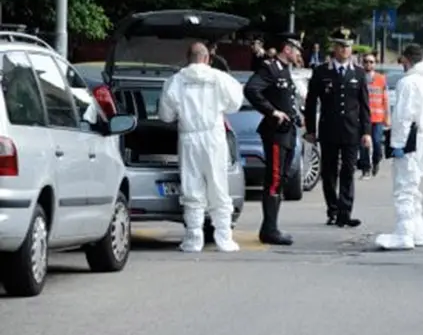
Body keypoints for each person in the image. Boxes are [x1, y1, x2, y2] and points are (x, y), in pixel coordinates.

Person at [158, 43, 244, 253]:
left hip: (189, 138)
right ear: (207, 58)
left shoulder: (176, 81)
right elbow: (235, 104)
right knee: (218, 186)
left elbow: (165, 115)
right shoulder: (219, 78)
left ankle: (193, 239)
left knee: (192, 187)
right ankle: (224, 238)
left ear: (188, 58)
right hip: (214, 137)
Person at [375, 44, 423, 250]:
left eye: (402, 60)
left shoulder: (408, 83)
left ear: (407, 59)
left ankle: (403, 234)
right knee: (413, 188)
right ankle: (417, 231)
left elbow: (403, 116)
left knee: (403, 189)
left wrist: (397, 144)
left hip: (410, 141)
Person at [304, 28, 372, 227]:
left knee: (348, 171)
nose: (345, 50)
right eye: (341, 46)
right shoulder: (322, 72)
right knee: (329, 171)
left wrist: (366, 131)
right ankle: (332, 210)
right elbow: (311, 103)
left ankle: (345, 212)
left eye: (348, 46)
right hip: (329, 129)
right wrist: (310, 130)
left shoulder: (358, 73)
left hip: (351, 129)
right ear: (334, 47)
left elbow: (364, 105)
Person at [243, 32, 305, 246]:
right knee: (275, 179)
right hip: (275, 132)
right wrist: (272, 112)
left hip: (287, 132)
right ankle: (269, 229)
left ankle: (271, 226)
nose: (298, 54)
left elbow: (287, 99)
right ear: (287, 49)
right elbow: (251, 89)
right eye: (296, 49)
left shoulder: (285, 71)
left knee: (282, 180)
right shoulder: (270, 68)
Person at [358, 53, 389, 179]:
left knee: (376, 143)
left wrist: (387, 117)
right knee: (364, 144)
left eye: (371, 62)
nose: (368, 64)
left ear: (375, 64)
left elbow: (385, 99)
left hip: (378, 117)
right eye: (366, 61)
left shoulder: (381, 79)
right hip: (363, 118)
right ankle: (366, 169)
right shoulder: (359, 78)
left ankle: (376, 161)